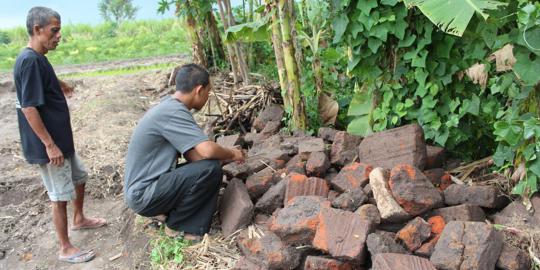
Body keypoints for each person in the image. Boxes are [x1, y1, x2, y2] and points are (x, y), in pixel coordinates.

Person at [14, 7, 106, 264]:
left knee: (79, 177)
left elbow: (42, 79)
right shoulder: (30, 61)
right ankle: (65, 248)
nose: (59, 36)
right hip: (50, 145)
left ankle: (79, 219)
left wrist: (59, 84)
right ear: (37, 30)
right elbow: (28, 107)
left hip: (61, 141)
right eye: (54, 31)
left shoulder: (38, 57)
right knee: (59, 196)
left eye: (59, 30)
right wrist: (49, 145)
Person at [124, 64, 245, 241]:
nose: (208, 97)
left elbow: (195, 157)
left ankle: (169, 213)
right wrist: (232, 154)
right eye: (208, 92)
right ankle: (181, 226)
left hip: (141, 192)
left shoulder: (168, 106)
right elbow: (208, 150)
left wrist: (223, 160)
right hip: (144, 194)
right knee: (210, 169)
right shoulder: (173, 112)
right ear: (199, 90)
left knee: (209, 167)